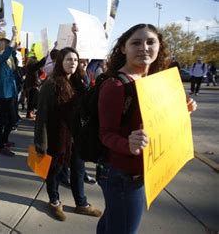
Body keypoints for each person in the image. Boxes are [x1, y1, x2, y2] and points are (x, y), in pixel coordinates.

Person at [96, 24, 197, 234]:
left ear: (159, 46)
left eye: (150, 42)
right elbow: (105, 134)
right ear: (123, 48)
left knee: (111, 222)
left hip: (143, 170)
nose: (144, 47)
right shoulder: (115, 86)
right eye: (136, 43)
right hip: (124, 176)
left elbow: (158, 122)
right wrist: (127, 144)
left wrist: (183, 111)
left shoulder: (155, 81)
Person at [35, 47, 102, 221]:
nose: (72, 62)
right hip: (57, 137)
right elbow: (41, 116)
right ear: (60, 62)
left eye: (75, 59)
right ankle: (54, 202)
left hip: (77, 138)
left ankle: (81, 203)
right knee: (55, 171)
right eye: (68, 59)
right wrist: (41, 143)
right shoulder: (51, 85)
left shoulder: (81, 83)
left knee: (78, 171)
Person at [0, 26, 19, 157]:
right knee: (1, 121)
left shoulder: (8, 58)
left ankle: (5, 140)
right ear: (3, 45)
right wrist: (13, 37)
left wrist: (15, 44)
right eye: (8, 46)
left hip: (11, 93)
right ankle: (0, 146)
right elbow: (6, 54)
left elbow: (13, 57)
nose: (10, 47)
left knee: (12, 120)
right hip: (2, 94)